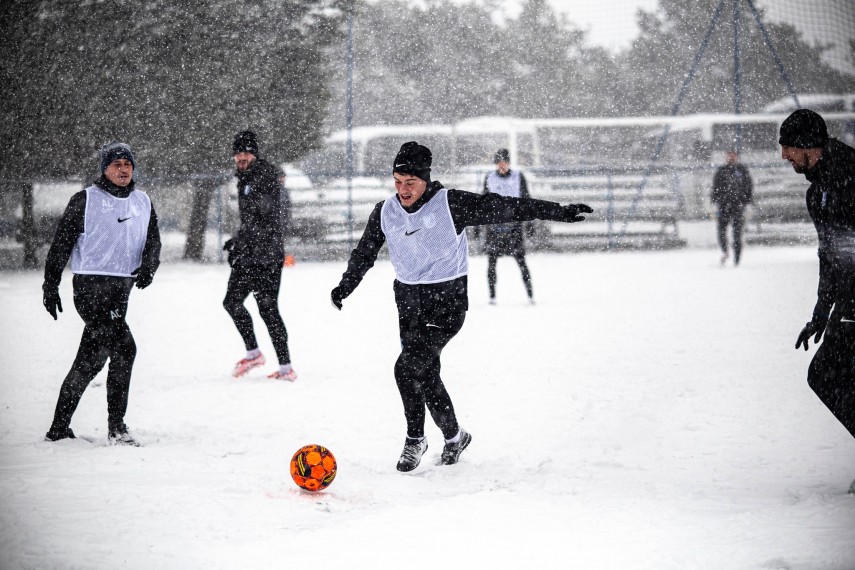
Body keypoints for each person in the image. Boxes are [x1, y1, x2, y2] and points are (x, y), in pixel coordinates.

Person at [329, 141, 592, 472]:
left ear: (425, 179)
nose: (403, 189)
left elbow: (508, 206)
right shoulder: (385, 212)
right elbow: (365, 252)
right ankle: (455, 436)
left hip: (447, 303)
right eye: (397, 181)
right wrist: (346, 286)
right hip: (409, 302)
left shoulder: (451, 204)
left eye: (410, 182)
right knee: (425, 374)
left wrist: (559, 211)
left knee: (406, 368)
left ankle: (415, 439)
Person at [42, 142, 161, 446]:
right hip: (91, 289)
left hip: (121, 290)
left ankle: (59, 427)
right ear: (105, 169)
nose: (123, 169)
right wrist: (50, 284)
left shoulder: (143, 201)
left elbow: (152, 240)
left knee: (91, 359)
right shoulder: (86, 199)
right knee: (125, 348)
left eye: (128, 164)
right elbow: (61, 244)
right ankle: (117, 427)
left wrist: (149, 266)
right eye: (117, 164)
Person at [779, 109, 855, 493]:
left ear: (811, 146)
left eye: (790, 147)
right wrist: (820, 313)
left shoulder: (850, 175)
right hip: (848, 301)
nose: (784, 156)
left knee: (829, 373)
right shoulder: (818, 190)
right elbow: (830, 256)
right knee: (827, 374)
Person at [223, 130, 296, 381]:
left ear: (254, 154)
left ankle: (286, 368)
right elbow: (253, 221)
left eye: (246, 152)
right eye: (237, 153)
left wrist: (243, 243)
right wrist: (238, 241)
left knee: (267, 308)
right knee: (233, 302)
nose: (241, 157)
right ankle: (255, 353)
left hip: (264, 256)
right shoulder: (246, 178)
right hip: (251, 254)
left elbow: (266, 220)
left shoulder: (263, 177)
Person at [482, 148, 535, 303]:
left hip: (514, 226)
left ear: (508, 163)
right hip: (494, 226)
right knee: (491, 262)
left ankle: (530, 295)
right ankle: (492, 297)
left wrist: (530, 222)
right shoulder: (490, 177)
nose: (502, 166)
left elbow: (526, 199)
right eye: (499, 163)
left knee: (521, 261)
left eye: (504, 162)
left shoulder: (519, 177)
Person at [710, 150, 753, 265]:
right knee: (721, 231)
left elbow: (749, 187)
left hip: (738, 206)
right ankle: (725, 250)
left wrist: (747, 203)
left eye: (733, 155)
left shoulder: (742, 170)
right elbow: (715, 188)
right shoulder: (721, 171)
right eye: (729, 155)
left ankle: (737, 259)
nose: (731, 157)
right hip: (723, 206)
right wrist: (714, 203)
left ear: (737, 156)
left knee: (737, 234)